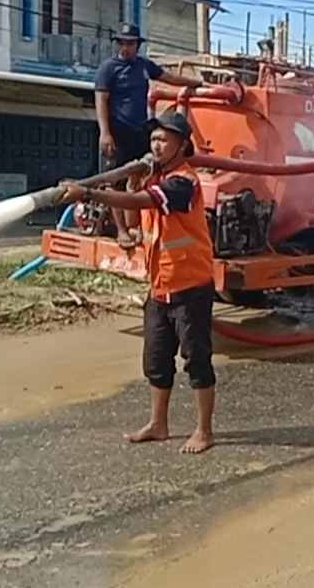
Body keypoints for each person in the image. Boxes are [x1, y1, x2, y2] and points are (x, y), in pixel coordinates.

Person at [57, 111, 217, 454]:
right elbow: (133, 214)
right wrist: (130, 184)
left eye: (163, 140)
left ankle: (204, 431)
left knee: (197, 360)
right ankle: (159, 424)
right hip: (160, 286)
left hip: (190, 285)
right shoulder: (155, 180)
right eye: (153, 139)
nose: (155, 145)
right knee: (156, 361)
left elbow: (139, 201)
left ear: (182, 146)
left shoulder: (182, 183)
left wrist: (87, 193)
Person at [93, 23, 205, 248]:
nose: (125, 47)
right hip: (117, 133)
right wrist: (105, 133)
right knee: (116, 181)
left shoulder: (143, 66)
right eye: (122, 43)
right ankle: (122, 232)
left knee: (140, 178)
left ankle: (137, 227)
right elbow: (101, 100)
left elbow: (168, 77)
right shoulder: (108, 68)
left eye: (130, 43)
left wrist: (196, 84)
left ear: (137, 45)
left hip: (139, 132)